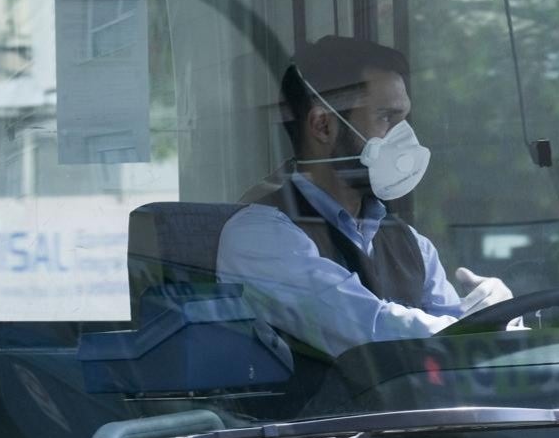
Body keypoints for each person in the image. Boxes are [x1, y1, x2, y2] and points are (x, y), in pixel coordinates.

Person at [216, 36, 516, 359]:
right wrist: (476, 329)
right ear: (323, 126)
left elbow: (465, 346)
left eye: (405, 120)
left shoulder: (412, 244)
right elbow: (368, 330)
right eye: (387, 118)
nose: (407, 139)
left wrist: (499, 315)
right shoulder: (258, 236)